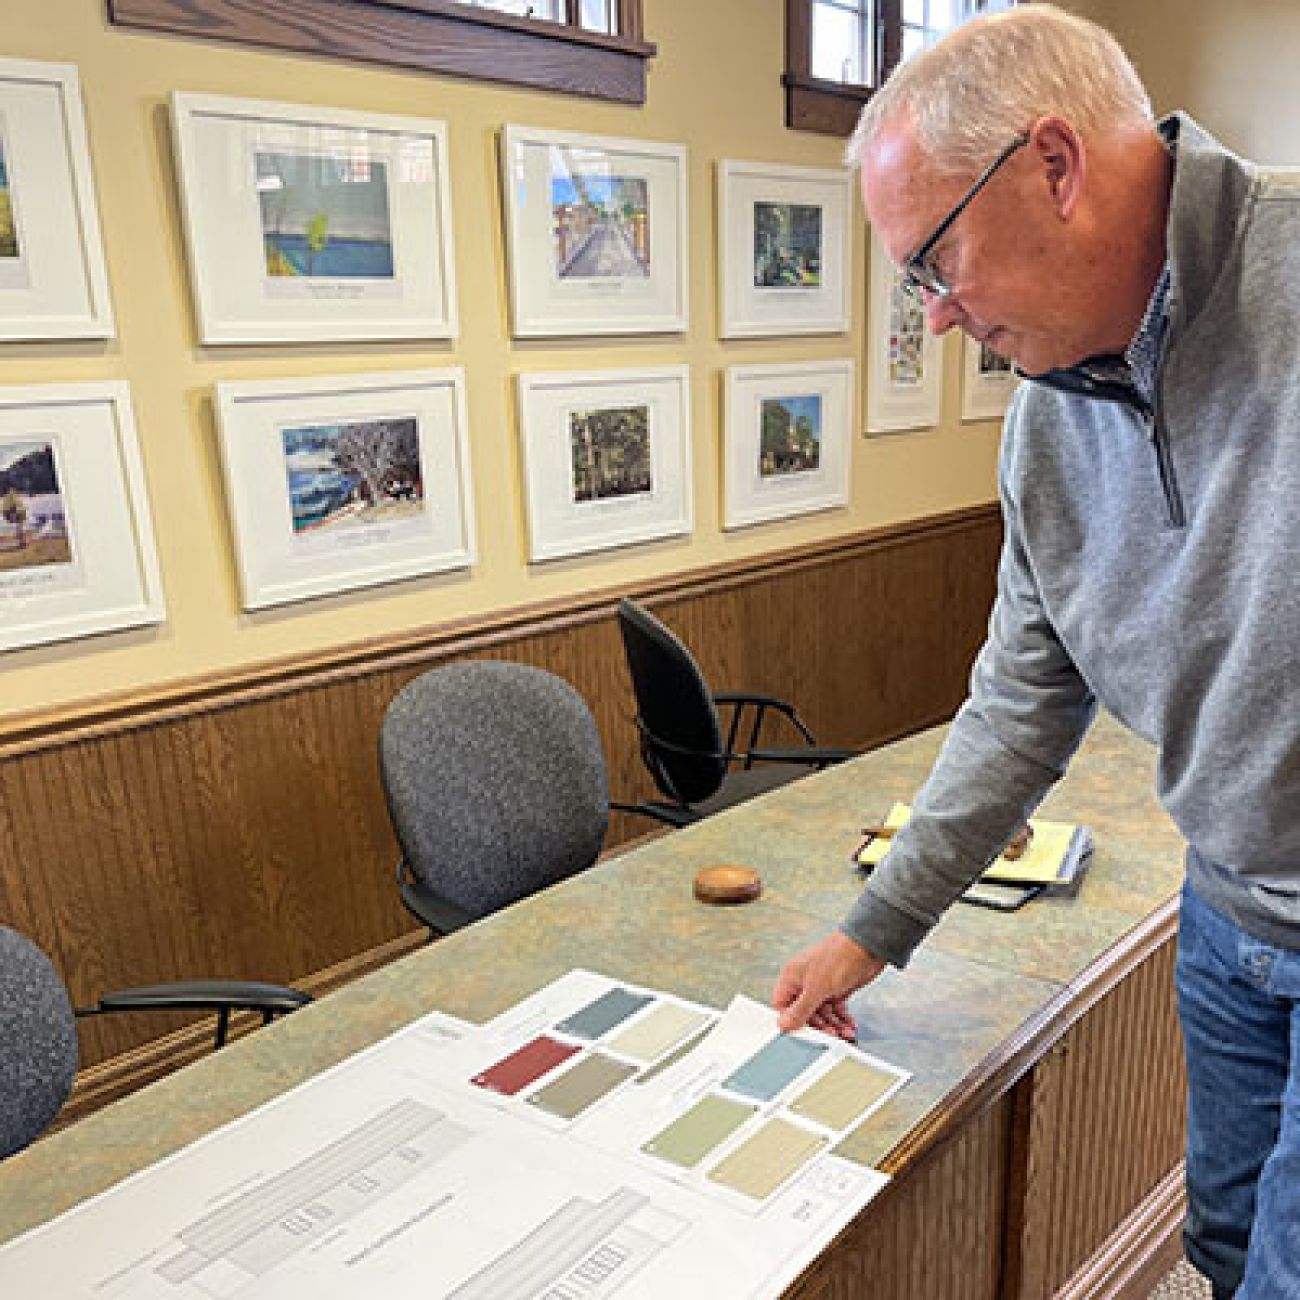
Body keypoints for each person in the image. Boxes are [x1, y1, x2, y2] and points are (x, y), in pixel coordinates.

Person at [770, 8, 1300, 1299]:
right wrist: (874, 930)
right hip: (1229, 916)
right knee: (1223, 1250)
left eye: (935, 264)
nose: (937, 319)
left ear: (1055, 165)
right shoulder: (1045, 424)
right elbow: (1021, 696)